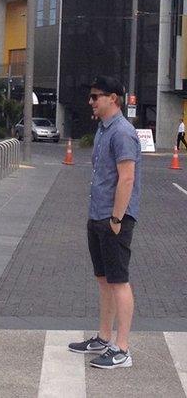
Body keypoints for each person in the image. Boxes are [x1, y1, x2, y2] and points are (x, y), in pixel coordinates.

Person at [68, 76, 141, 369]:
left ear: (113, 98)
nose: (91, 101)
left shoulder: (123, 132)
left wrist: (116, 218)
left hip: (114, 218)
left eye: (95, 96)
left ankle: (122, 349)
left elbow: (127, 177)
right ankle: (103, 336)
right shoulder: (102, 130)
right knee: (104, 280)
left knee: (119, 281)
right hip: (98, 214)